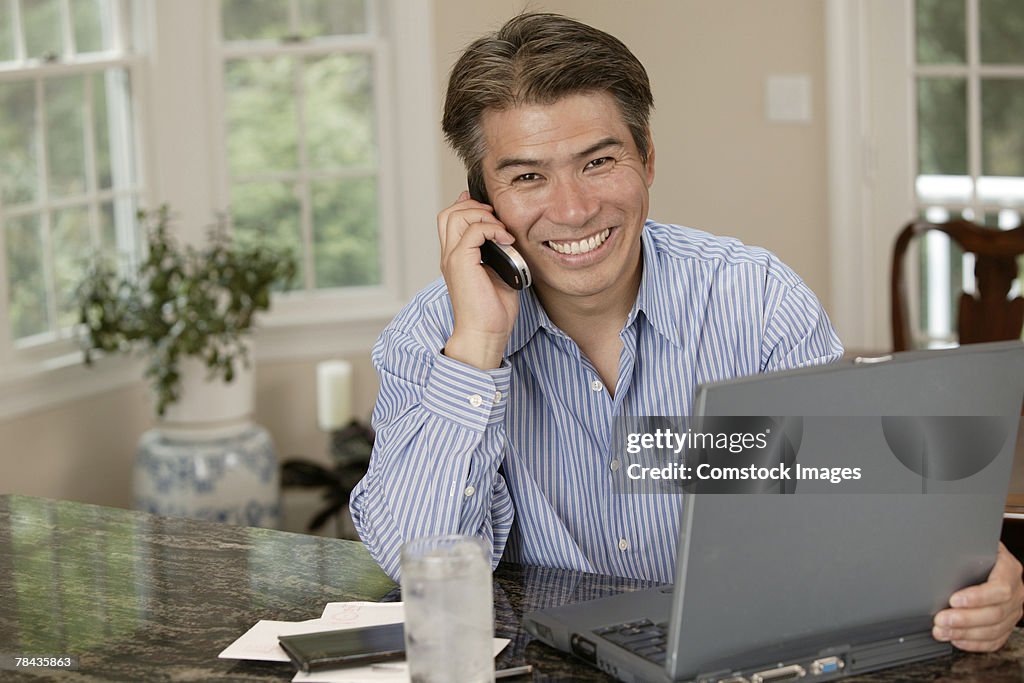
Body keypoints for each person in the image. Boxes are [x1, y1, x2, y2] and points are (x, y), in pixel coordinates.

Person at [350, 12, 1023, 652]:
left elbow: (842, 499)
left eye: (598, 161)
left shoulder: (756, 301)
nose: (575, 208)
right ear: (480, 203)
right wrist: (477, 349)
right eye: (527, 176)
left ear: (646, 158)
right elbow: (421, 567)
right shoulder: (434, 337)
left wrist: (967, 569)